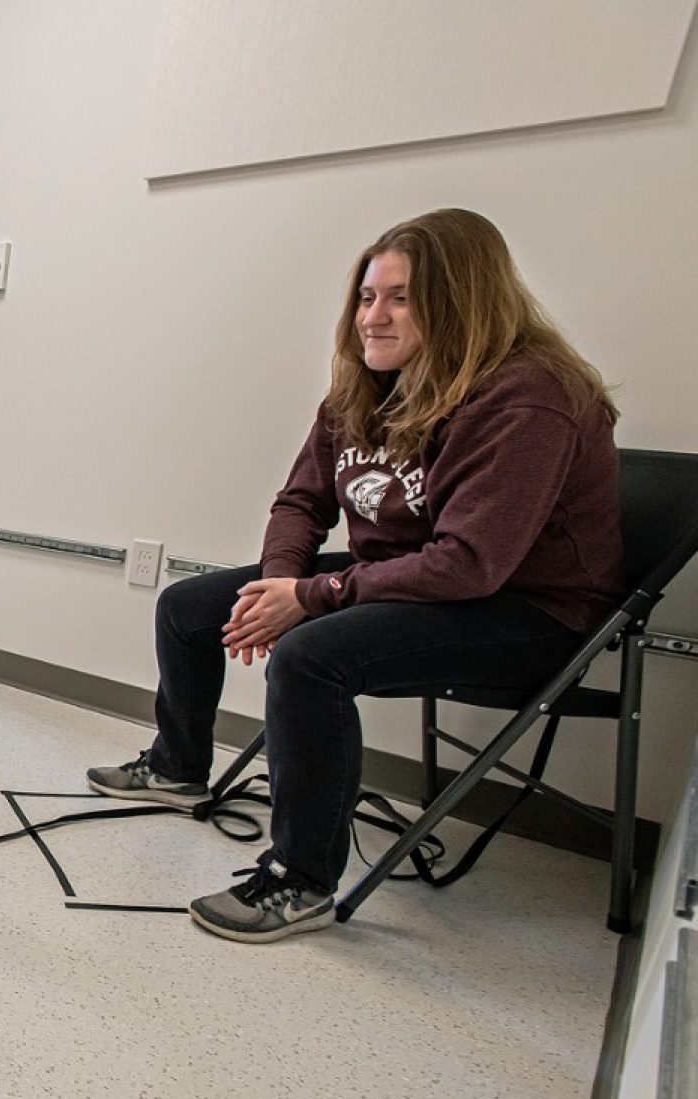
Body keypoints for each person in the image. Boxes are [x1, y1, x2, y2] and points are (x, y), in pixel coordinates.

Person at [87, 208, 623, 943]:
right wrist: (277, 587)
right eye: (368, 297)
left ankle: (301, 879)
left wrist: (310, 602)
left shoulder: (529, 395)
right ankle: (179, 768)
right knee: (187, 607)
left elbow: (470, 563)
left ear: (460, 300)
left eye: (399, 298)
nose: (374, 316)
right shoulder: (368, 388)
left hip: (529, 612)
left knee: (312, 659)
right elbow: (300, 502)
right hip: (413, 575)